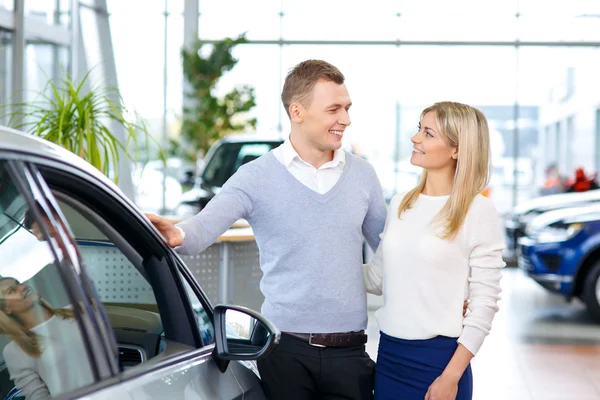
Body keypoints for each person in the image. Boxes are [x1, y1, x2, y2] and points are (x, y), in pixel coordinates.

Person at [146, 59, 387, 399]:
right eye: (334, 109)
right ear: (298, 111)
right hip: (284, 353)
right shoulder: (256, 177)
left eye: (347, 108)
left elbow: (392, 251)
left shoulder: (363, 175)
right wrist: (177, 234)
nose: (345, 119)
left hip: (350, 353)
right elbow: (202, 228)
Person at [364, 102, 506, 400]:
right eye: (419, 129)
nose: (415, 138)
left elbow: (484, 305)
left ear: (457, 149)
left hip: (439, 364)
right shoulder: (402, 204)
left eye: (428, 133)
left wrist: (451, 377)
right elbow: (377, 278)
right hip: (389, 356)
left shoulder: (477, 211)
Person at [0, 277, 93, 400]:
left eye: (19, 283)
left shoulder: (80, 310)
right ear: (7, 309)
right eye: (12, 291)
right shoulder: (15, 351)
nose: (23, 287)